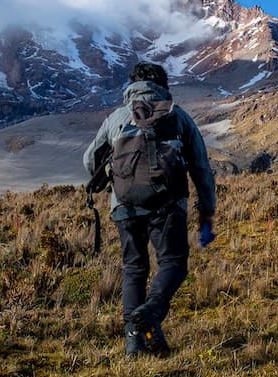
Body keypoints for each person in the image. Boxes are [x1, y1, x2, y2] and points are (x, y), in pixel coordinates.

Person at [83, 62, 216, 356]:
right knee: (173, 264)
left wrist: (110, 181)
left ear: (132, 85)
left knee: (134, 269)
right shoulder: (176, 115)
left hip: (125, 207)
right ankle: (152, 311)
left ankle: (134, 343)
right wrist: (207, 213)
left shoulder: (117, 117)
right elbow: (201, 167)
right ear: (163, 85)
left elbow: (89, 159)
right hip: (168, 205)